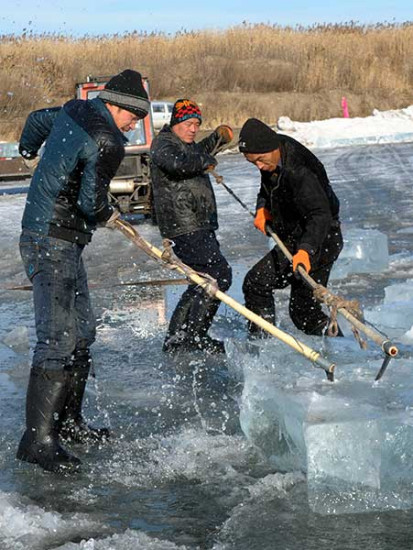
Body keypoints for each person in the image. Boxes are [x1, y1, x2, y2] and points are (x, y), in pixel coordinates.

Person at [16, 69, 150, 473]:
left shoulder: (74, 109)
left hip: (58, 238)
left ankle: (68, 423)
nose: (134, 125)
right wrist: (112, 212)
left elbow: (35, 122)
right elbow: (92, 203)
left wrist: (28, 150)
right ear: (118, 107)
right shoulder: (108, 139)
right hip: (51, 237)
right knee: (57, 338)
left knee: (82, 332)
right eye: (134, 117)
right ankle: (37, 441)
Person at [239, 118, 343, 337]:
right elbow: (266, 187)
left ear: (272, 148)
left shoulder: (298, 170)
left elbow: (320, 214)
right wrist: (262, 208)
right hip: (296, 237)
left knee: (302, 311)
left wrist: (306, 249)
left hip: (319, 239)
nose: (258, 166)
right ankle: (262, 342)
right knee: (257, 284)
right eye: (252, 162)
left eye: (259, 159)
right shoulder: (272, 154)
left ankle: (343, 352)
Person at [150, 99, 233, 354]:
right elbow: (179, 164)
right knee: (219, 275)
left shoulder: (183, 144)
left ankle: (176, 338)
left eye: (197, 124)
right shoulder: (163, 144)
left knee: (199, 281)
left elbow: (197, 153)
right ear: (175, 122)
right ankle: (196, 336)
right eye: (188, 124)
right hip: (184, 226)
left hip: (197, 224)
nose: (193, 129)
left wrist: (218, 138)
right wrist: (203, 161)